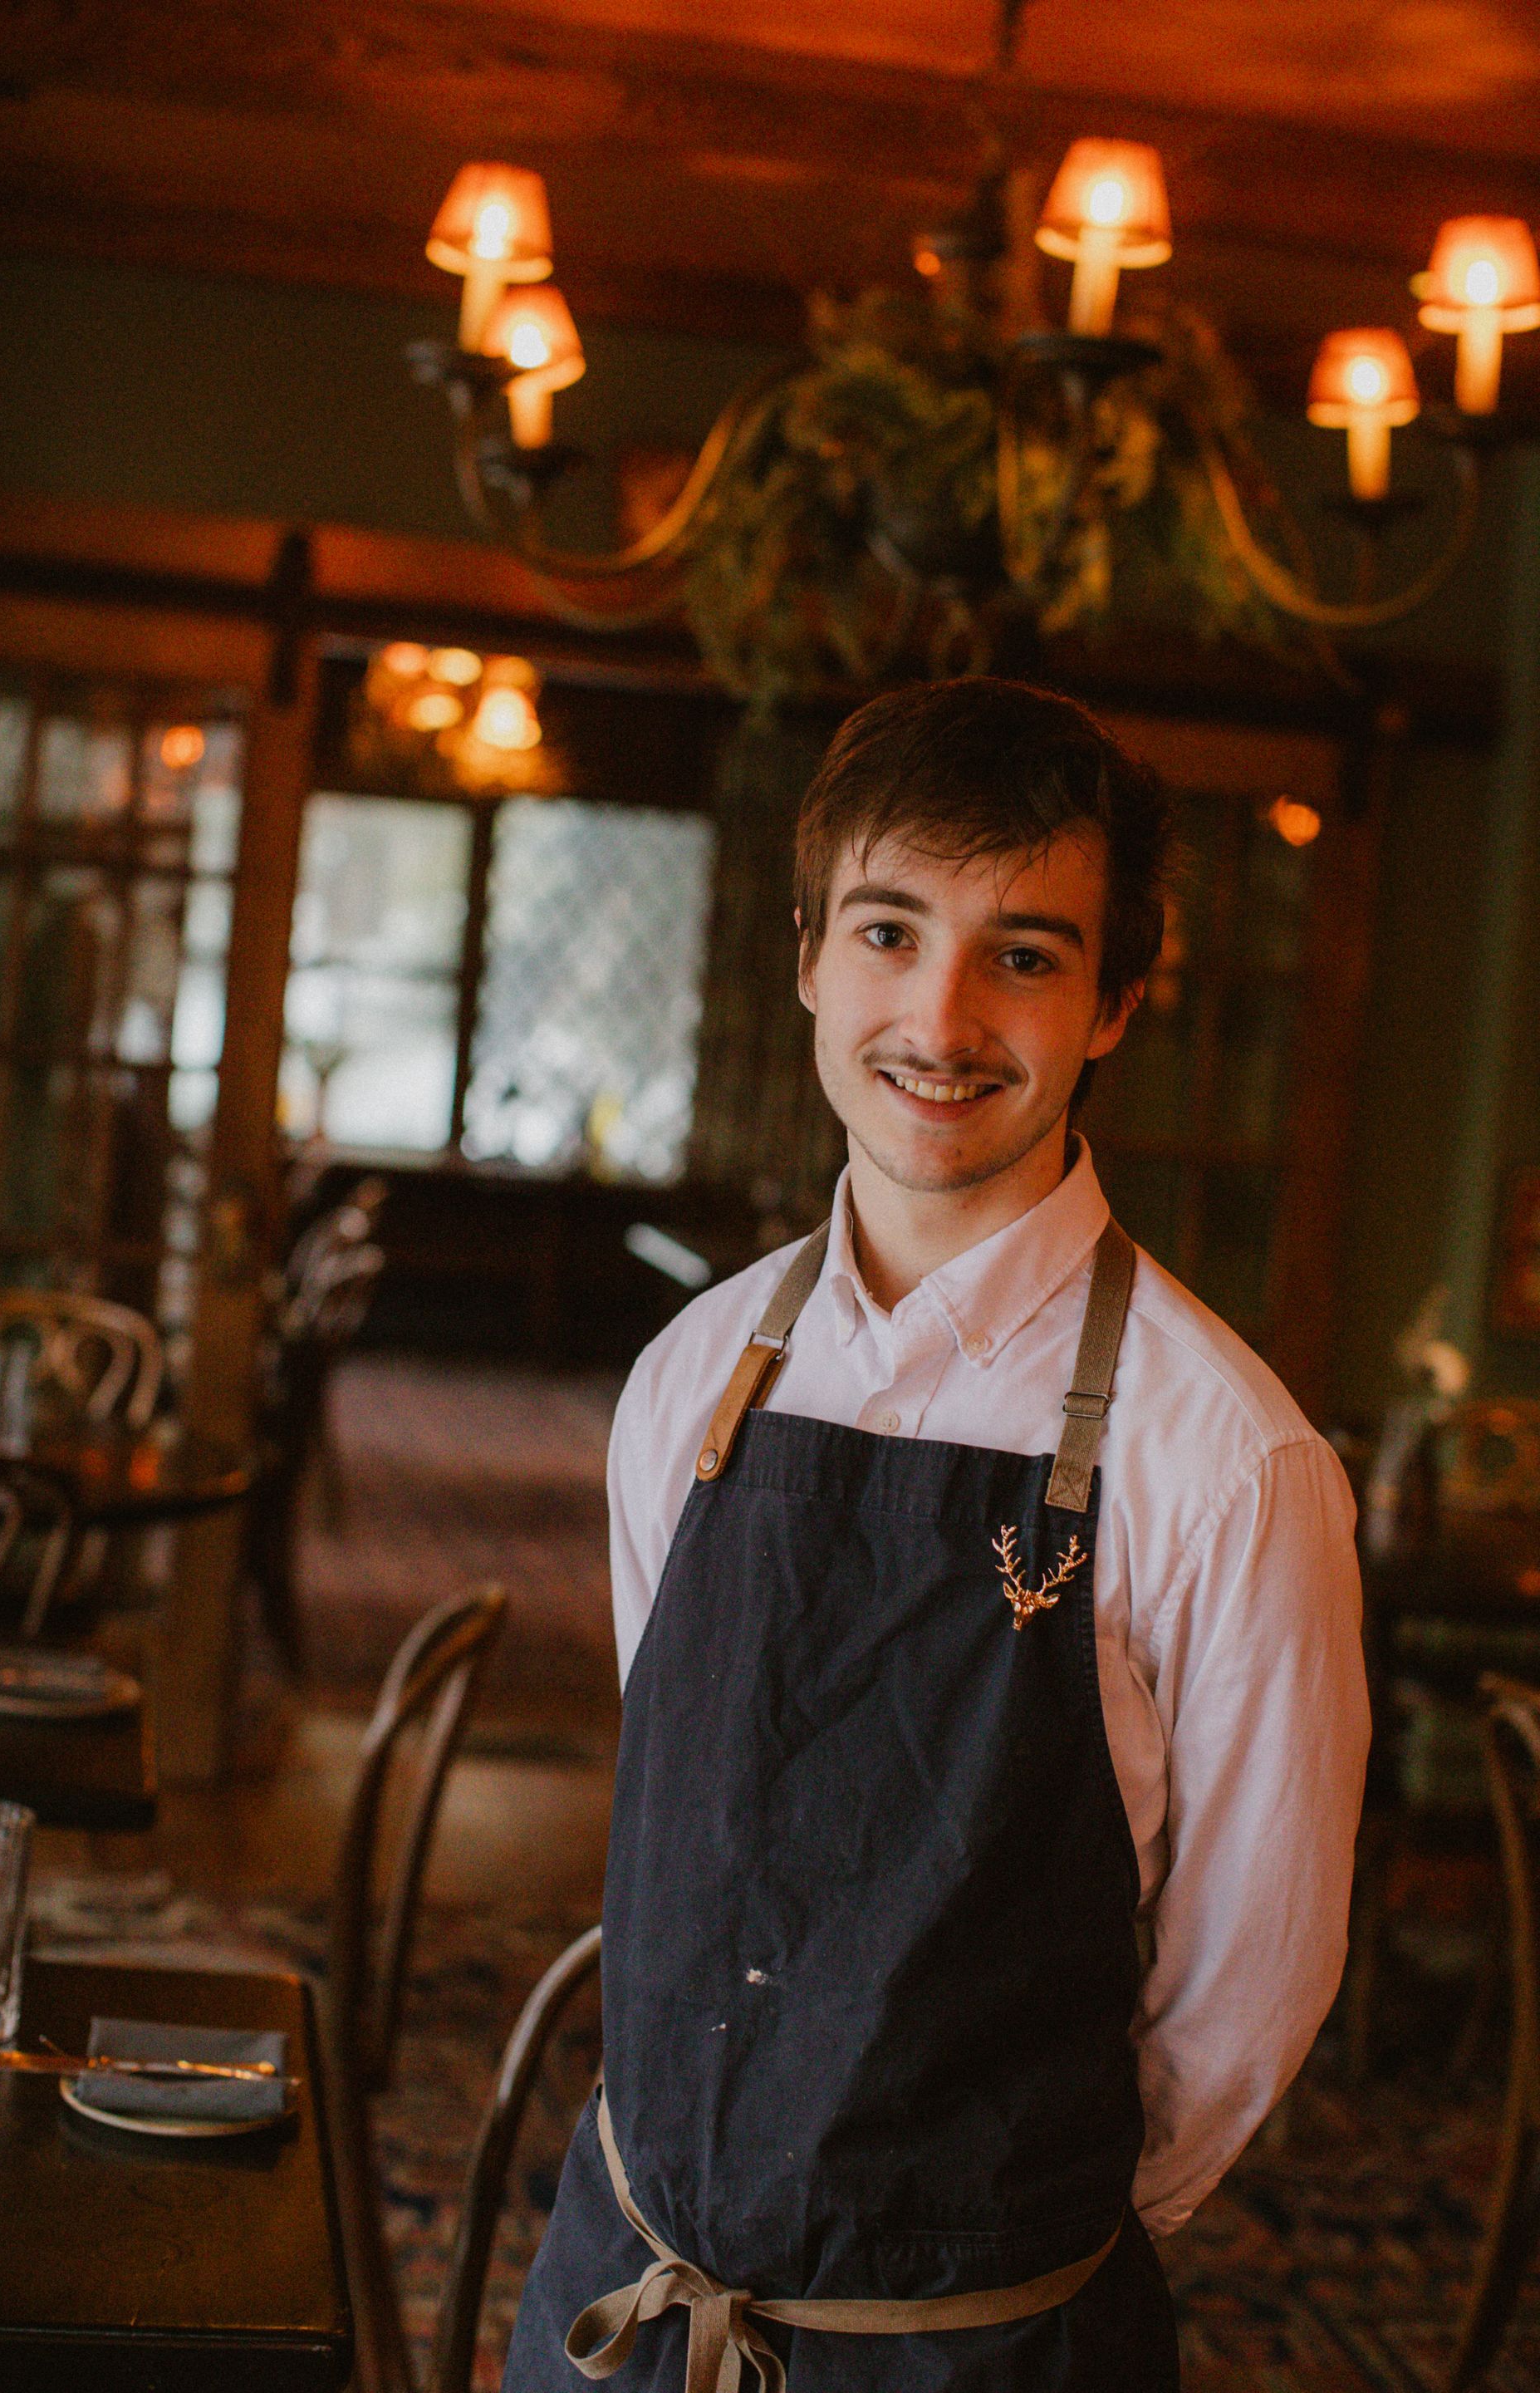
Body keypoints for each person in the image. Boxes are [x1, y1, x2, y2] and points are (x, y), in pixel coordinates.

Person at [505, 677, 1370, 2392]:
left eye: (1023, 956)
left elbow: (1248, 1994)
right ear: (810, 958)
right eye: (891, 933)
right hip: (629, 2300)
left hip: (976, 2346)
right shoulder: (691, 1378)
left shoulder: (1234, 1461)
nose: (942, 1017)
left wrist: (990, 2255)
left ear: (1114, 1003)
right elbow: (692, 1837)